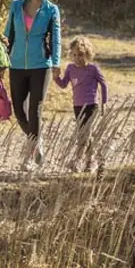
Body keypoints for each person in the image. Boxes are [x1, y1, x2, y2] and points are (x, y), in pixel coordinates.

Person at [4, 0, 62, 168]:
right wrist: (3, 59)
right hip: (17, 64)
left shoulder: (51, 10)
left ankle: (29, 157)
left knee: (35, 109)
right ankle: (37, 141)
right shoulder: (16, 6)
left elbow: (56, 38)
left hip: (40, 65)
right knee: (19, 111)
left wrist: (55, 62)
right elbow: (8, 35)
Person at [55, 36, 108, 172]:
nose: (78, 58)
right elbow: (63, 84)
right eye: (74, 55)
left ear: (88, 54)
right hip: (77, 105)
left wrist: (104, 102)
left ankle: (81, 161)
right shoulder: (70, 68)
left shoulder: (93, 69)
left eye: (81, 55)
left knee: (85, 132)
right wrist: (55, 77)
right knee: (83, 133)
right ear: (71, 55)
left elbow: (103, 84)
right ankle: (90, 161)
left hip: (92, 105)